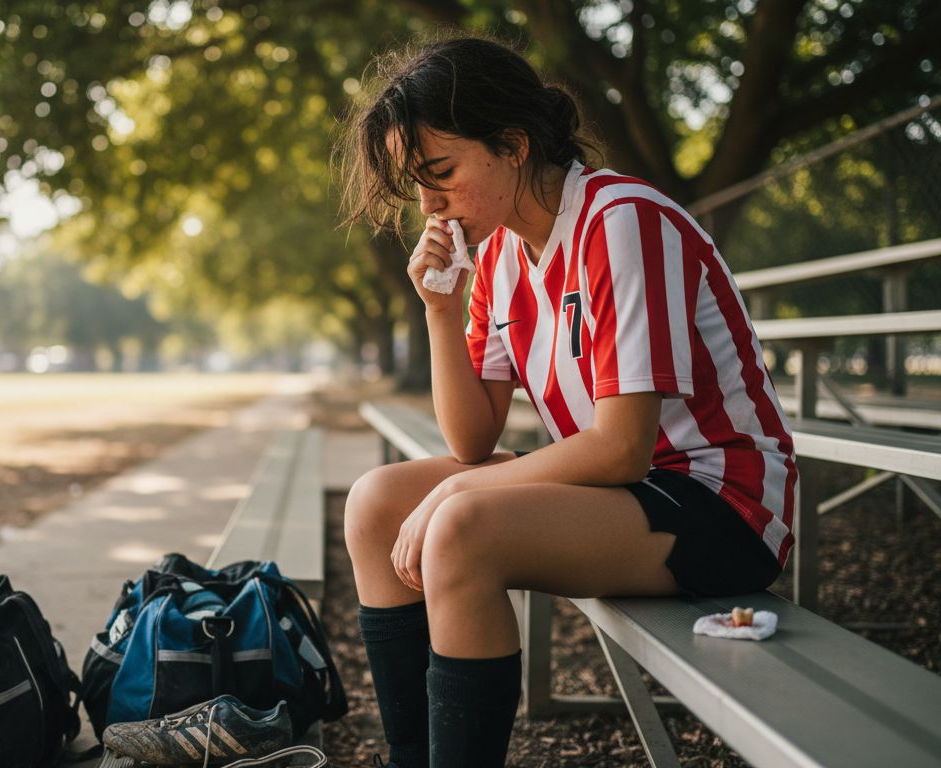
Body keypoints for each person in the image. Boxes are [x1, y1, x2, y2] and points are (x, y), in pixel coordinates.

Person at [337, 35, 797, 767]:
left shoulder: (622, 220)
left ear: (513, 145)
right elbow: (470, 439)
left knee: (460, 526)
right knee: (374, 503)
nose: (429, 205)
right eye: (415, 185)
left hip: (718, 502)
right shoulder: (495, 254)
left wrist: (459, 489)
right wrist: (438, 312)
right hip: (623, 488)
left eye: (442, 173)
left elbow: (622, 447)